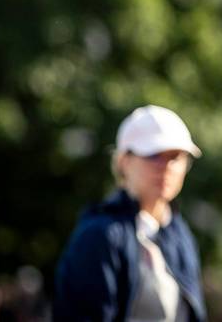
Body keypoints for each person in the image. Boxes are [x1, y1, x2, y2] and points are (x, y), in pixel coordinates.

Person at [53, 105, 207, 322]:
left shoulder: (179, 234)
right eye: (154, 155)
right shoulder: (100, 234)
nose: (166, 167)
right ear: (124, 161)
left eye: (176, 157)